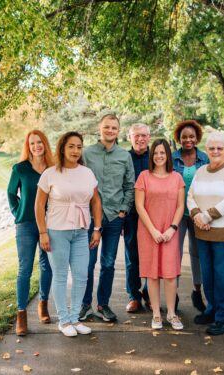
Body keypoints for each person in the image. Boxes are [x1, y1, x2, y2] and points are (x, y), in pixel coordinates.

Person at [35, 131, 103, 337]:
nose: (75, 150)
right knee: (61, 275)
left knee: (82, 274)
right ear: (63, 148)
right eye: (71, 146)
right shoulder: (50, 173)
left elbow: (96, 201)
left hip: (81, 231)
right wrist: (43, 232)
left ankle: (75, 318)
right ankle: (64, 321)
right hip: (56, 230)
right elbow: (39, 204)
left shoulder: (87, 173)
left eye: (79, 147)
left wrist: (97, 229)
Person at [187, 131, 224, 335]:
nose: (215, 151)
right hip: (203, 231)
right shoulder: (201, 171)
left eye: (220, 148)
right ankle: (211, 310)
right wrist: (196, 215)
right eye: (211, 148)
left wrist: (207, 216)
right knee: (208, 274)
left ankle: (223, 318)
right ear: (206, 150)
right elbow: (190, 195)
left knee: (223, 275)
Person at [79, 114, 135, 322]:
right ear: (99, 129)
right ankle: (85, 305)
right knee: (87, 262)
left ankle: (103, 304)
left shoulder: (124, 156)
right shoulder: (87, 154)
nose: (110, 130)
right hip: (90, 217)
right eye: (106, 127)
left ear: (118, 131)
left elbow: (130, 185)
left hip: (113, 217)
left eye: (114, 128)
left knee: (108, 263)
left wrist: (123, 210)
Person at [7, 130, 54, 336]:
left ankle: (43, 304)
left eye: (39, 142)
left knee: (47, 265)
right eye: (32, 143)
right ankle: (21, 314)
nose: (36, 146)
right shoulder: (20, 168)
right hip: (25, 225)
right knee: (25, 268)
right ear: (28, 146)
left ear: (45, 144)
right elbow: (11, 193)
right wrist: (18, 212)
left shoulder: (53, 169)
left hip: (50, 223)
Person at [135, 139, 185, 330]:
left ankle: (171, 314)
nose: (159, 156)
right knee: (152, 275)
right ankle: (156, 314)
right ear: (151, 155)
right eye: (155, 153)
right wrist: (154, 230)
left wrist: (172, 228)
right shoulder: (144, 176)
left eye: (162, 153)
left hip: (170, 231)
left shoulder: (177, 178)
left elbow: (181, 206)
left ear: (168, 155)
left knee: (171, 274)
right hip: (149, 232)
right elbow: (139, 206)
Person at [172, 120, 210, 312]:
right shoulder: (172, 158)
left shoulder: (204, 158)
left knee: (197, 253)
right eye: (184, 136)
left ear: (197, 138)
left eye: (191, 136)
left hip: (198, 214)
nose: (188, 140)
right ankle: (174, 295)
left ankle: (198, 291)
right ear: (178, 138)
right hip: (177, 214)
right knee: (175, 253)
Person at [123, 123, 151, 313]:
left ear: (149, 137)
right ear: (129, 138)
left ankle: (150, 295)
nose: (140, 139)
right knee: (132, 255)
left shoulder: (156, 156)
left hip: (153, 214)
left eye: (143, 135)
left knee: (151, 255)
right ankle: (134, 296)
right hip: (131, 214)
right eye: (136, 136)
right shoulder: (124, 158)